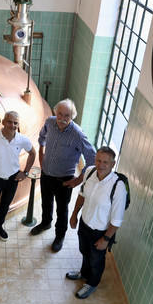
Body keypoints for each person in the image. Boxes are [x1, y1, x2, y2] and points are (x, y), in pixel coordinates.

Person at [30, 98, 96, 252]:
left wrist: (78, 180)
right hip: (46, 174)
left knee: (62, 210)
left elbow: (92, 158)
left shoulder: (77, 134)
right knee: (46, 202)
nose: (62, 118)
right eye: (60, 114)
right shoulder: (50, 122)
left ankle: (59, 236)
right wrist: (41, 151)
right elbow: (42, 136)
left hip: (64, 180)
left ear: (72, 117)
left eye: (67, 115)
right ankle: (46, 222)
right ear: (55, 112)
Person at [66, 146, 127, 299]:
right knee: (84, 252)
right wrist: (74, 214)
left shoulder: (117, 186)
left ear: (112, 164)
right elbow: (82, 194)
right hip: (84, 224)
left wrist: (106, 239)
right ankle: (83, 274)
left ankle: (92, 284)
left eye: (105, 162)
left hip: (100, 232)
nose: (101, 165)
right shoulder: (90, 172)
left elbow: (117, 219)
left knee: (96, 261)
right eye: (98, 160)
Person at [0, 111, 36, 250]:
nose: (12, 125)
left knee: (5, 206)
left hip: (12, 179)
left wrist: (26, 172)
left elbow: (33, 153)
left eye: (15, 123)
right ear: (3, 122)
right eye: (10, 122)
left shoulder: (22, 139)